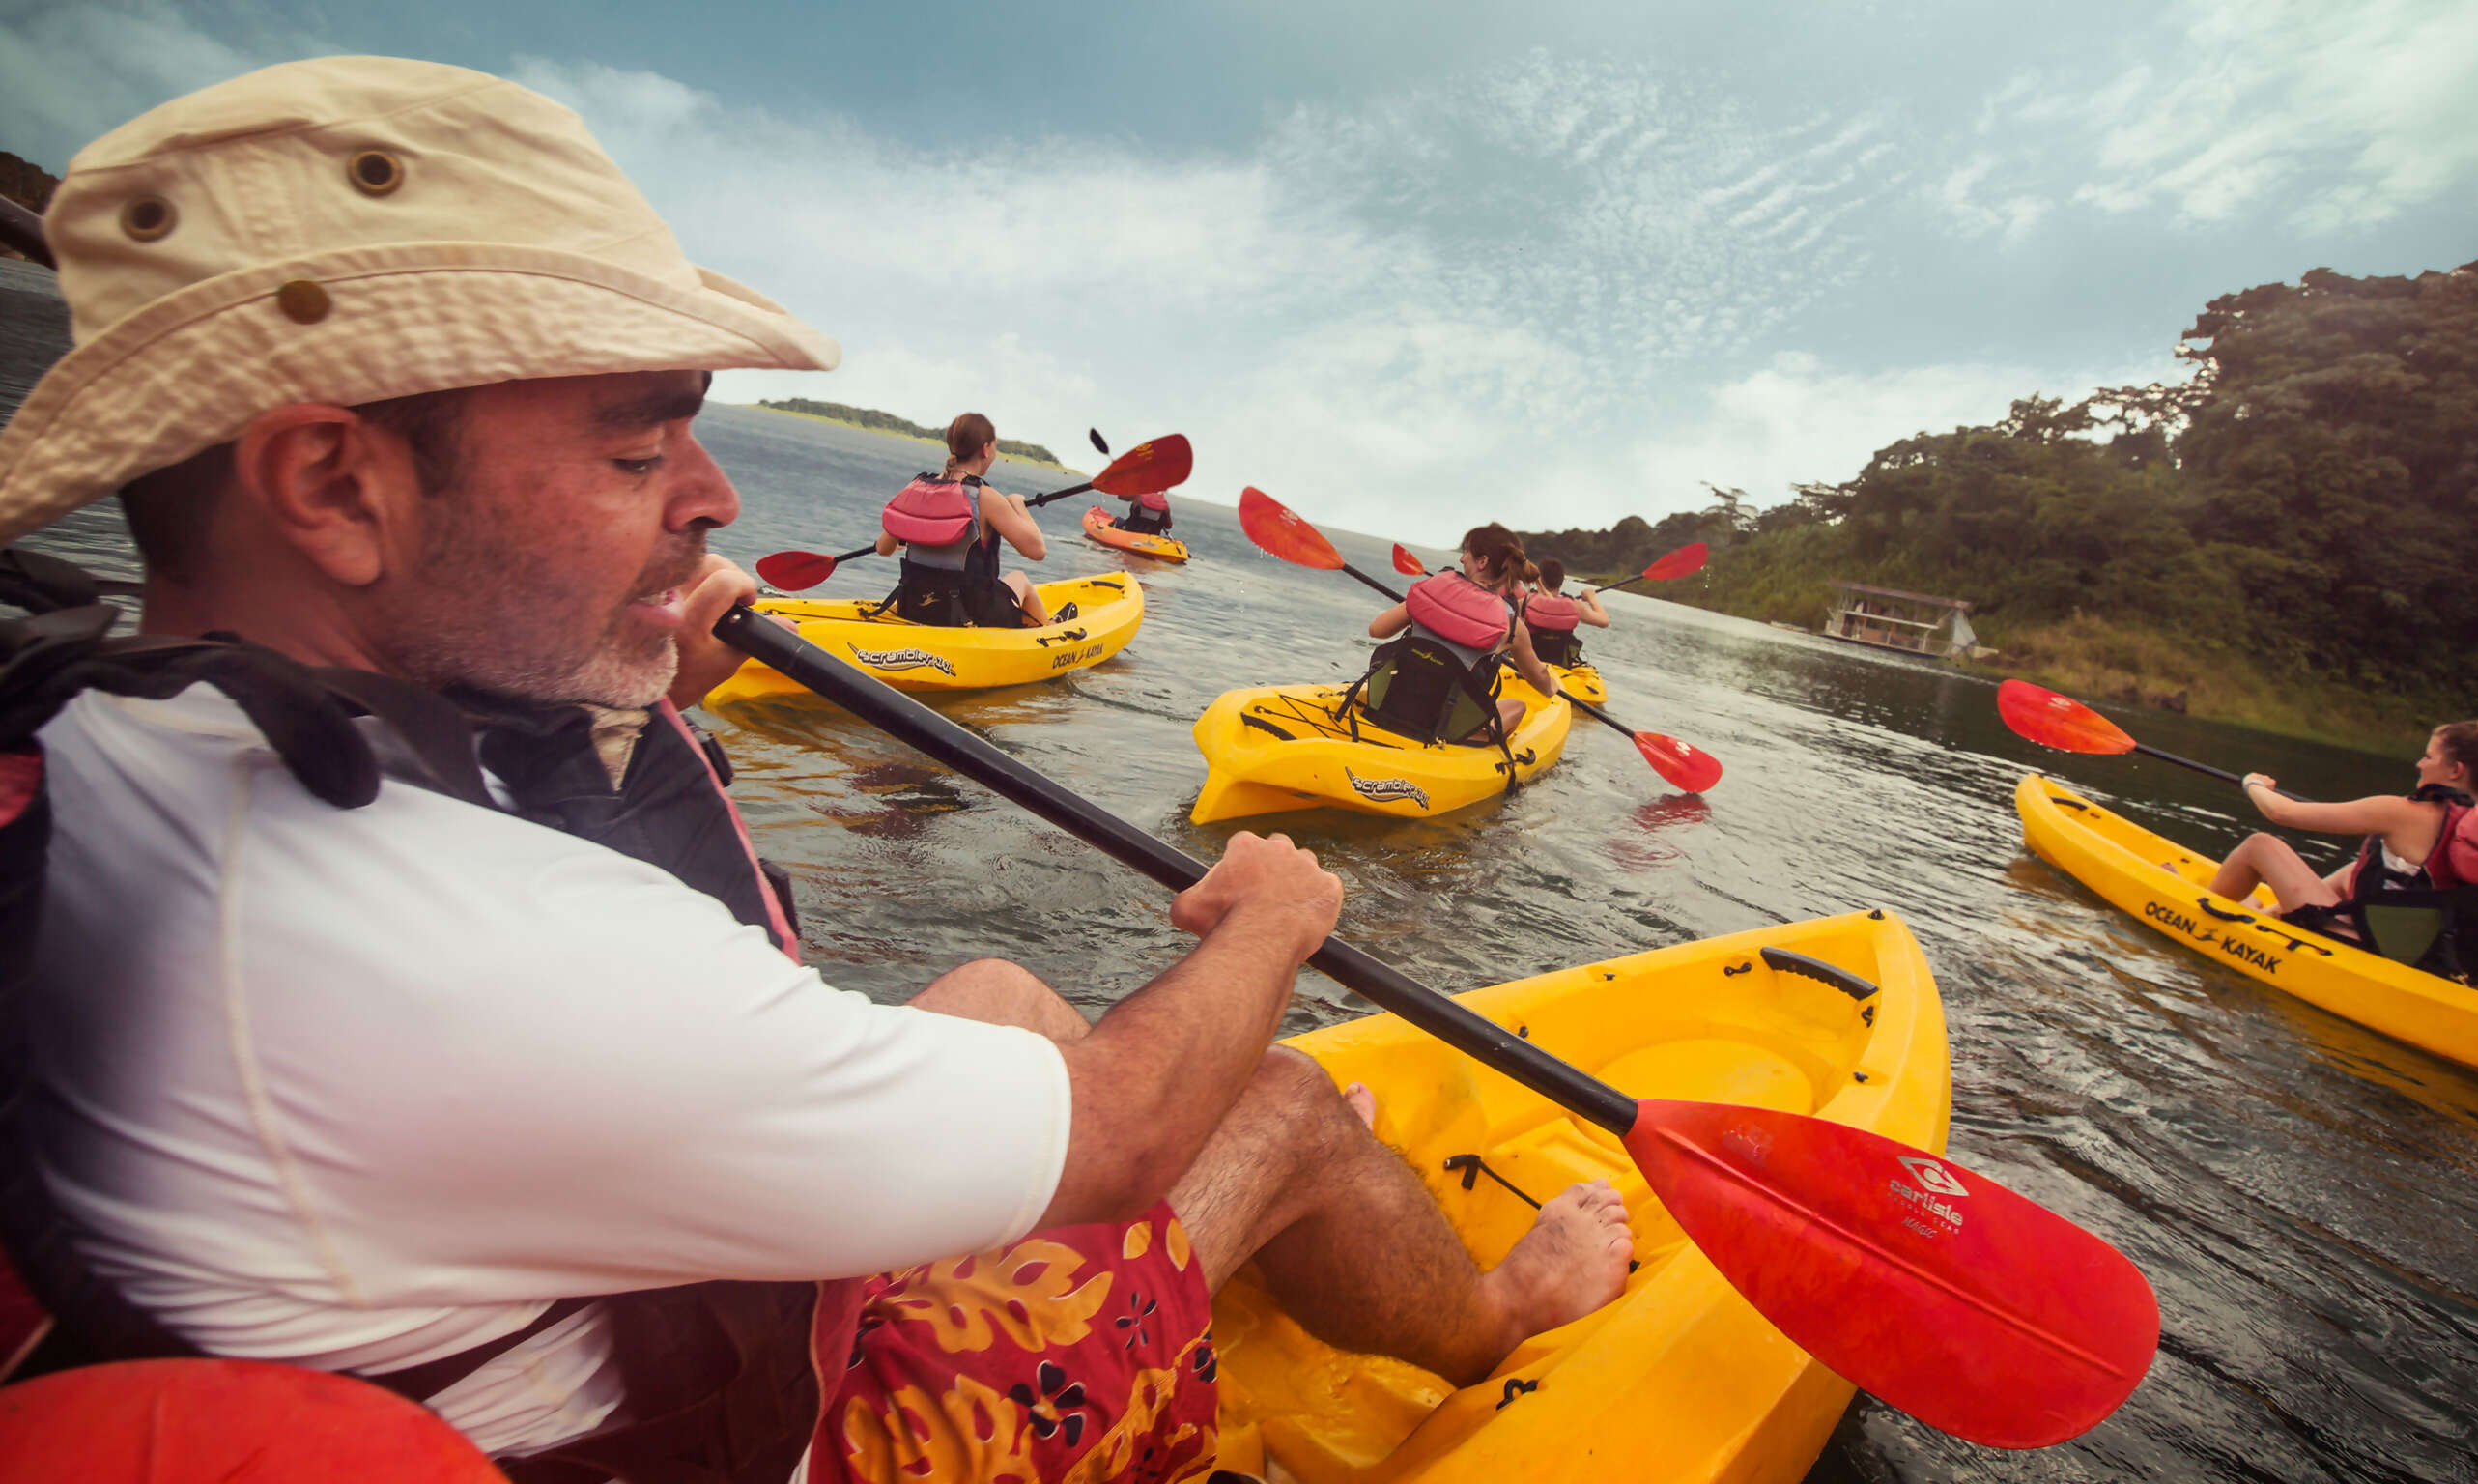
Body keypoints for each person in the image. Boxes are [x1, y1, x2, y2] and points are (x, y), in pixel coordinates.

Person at [0, 59, 1633, 1484]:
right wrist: (1272, 919)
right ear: (331, 485)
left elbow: (502, 854)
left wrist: (631, 687)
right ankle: (1490, 1315)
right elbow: (1121, 1138)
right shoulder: (469, 965)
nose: (708, 493)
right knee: (1274, 1100)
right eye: (636, 449)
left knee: (998, 982)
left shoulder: (125, 726)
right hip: (793, 1439)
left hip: (463, 1293)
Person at [2208, 721, 2478, 980]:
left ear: (2455, 769)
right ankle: (2266, 914)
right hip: (2439, 969)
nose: (2419, 763)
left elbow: (2281, 812)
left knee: (2260, 845)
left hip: (2368, 955)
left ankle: (2202, 912)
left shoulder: (2404, 812)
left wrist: (2253, 782)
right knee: (2355, 871)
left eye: (2428, 755)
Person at [1354, 524, 1556, 746]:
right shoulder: (1511, 625)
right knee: (1518, 707)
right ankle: (1468, 756)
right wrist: (1553, 688)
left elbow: (1377, 630)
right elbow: (1542, 684)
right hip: (1444, 728)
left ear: (1483, 561)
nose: (1461, 560)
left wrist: (1415, 609)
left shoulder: (1430, 590)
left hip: (1393, 707)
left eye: (1466, 552)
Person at [872, 413, 1053, 627]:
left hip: (914, 605)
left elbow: (883, 548)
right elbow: (1037, 550)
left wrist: (910, 537)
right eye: (995, 446)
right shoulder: (984, 496)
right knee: (1020, 579)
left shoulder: (918, 487)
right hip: (969, 614)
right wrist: (1018, 506)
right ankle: (1049, 634)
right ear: (986, 449)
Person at [1521, 558, 1609, 670]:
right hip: (1560, 667)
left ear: (1538, 579)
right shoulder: (1574, 605)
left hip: (1527, 665)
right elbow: (1604, 621)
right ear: (1561, 580)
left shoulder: (1525, 601)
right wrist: (1591, 598)